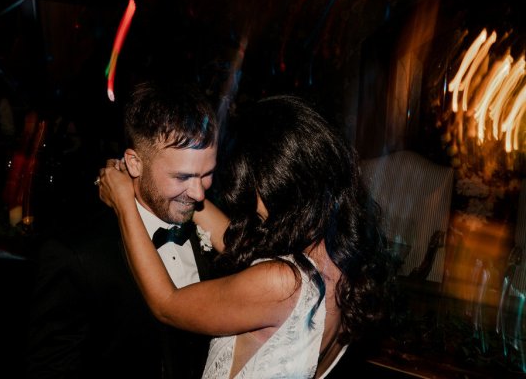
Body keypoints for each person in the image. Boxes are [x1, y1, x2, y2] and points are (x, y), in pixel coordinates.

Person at [97, 94, 395, 378]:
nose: (248, 201)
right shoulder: (338, 261)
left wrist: (124, 201)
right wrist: (188, 189)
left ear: (280, 184)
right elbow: (242, 246)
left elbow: (166, 303)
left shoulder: (281, 282)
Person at [27, 80, 219, 379]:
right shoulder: (76, 255)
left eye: (207, 174)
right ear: (134, 163)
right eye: (182, 176)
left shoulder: (216, 238)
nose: (198, 193)